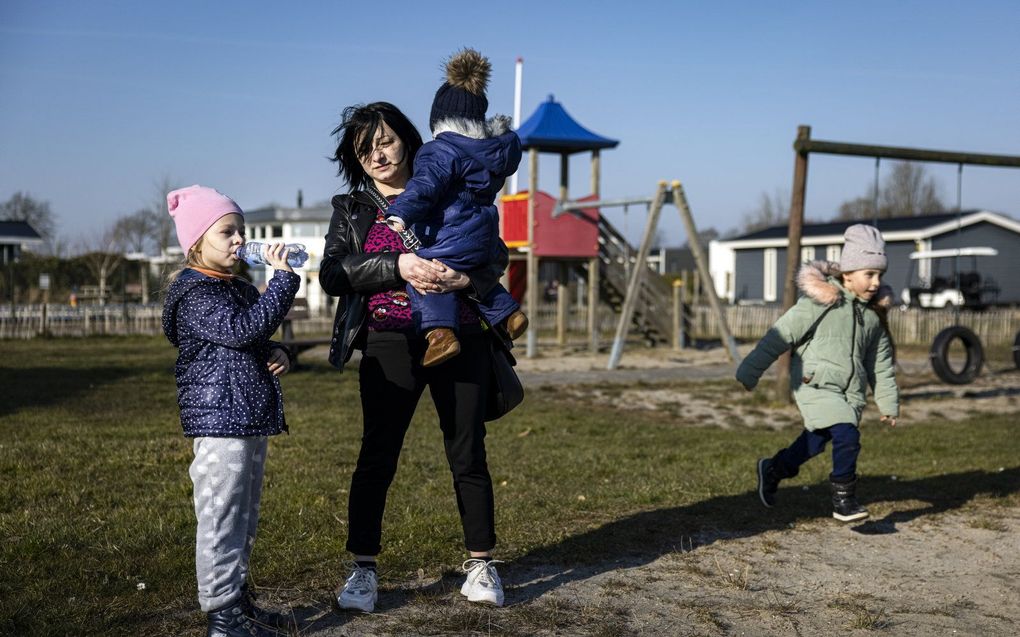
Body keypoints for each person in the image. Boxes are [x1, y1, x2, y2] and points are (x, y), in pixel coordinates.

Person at [320, 101, 510, 612]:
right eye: (364, 150)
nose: (377, 155)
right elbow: (334, 274)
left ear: (407, 138)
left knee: (468, 451)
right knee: (377, 456)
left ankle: (481, 563)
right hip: (389, 342)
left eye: (384, 141)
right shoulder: (352, 209)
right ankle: (363, 569)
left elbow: (496, 253)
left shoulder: (452, 185)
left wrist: (468, 279)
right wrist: (397, 265)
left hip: (462, 336)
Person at [161, 185, 300, 636]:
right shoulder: (195, 293)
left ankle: (238, 601)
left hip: (246, 415)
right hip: (220, 420)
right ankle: (222, 616)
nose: (239, 239)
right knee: (221, 517)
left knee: (244, 514)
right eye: (227, 232)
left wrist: (276, 349)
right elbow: (240, 331)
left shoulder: (234, 286)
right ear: (198, 241)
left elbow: (252, 337)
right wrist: (283, 281)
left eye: (240, 230)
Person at [735, 224, 900, 522]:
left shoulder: (873, 315)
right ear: (847, 274)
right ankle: (844, 500)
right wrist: (751, 369)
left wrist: (887, 403)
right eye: (869, 274)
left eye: (880, 275)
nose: (876, 283)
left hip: (849, 393)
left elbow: (880, 362)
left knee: (813, 443)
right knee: (847, 434)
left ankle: (773, 469)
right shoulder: (820, 301)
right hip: (815, 384)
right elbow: (780, 335)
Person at [383, 48, 528, 367]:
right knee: (471, 275)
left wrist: (400, 211)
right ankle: (509, 315)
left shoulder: (440, 151)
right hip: (483, 240)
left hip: (448, 238)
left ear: (440, 120)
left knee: (427, 278)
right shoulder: (490, 156)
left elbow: (424, 187)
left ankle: (439, 335)